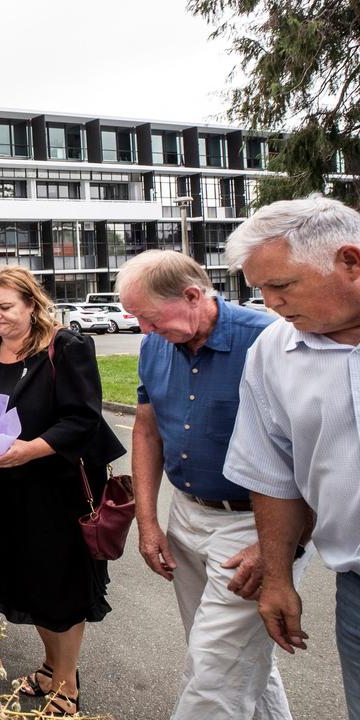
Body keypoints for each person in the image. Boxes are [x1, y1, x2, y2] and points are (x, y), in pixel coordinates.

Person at [118, 250, 310, 719]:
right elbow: (146, 430)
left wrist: (276, 546)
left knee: (214, 674)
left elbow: (316, 450)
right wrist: (148, 523)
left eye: (148, 316)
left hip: (256, 525)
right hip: (187, 514)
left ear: (191, 295)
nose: (143, 329)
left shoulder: (269, 340)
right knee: (232, 661)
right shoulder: (156, 344)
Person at [221, 195, 360, 720]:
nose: (271, 303)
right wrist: (278, 577)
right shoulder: (274, 351)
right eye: (261, 290)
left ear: (350, 261)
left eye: (282, 285)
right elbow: (273, 472)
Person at [0, 266, 125, 716]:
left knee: (62, 587)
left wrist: (30, 450)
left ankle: (67, 687)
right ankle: (52, 668)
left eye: (5, 307)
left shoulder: (67, 346)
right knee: (30, 584)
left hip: (57, 492)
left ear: (32, 305)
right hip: (4, 492)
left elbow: (82, 419)